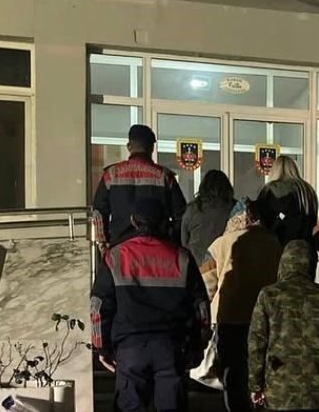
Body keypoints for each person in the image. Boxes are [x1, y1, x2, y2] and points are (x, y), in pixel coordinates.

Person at [90, 197, 211, 412]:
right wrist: (198, 345)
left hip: (130, 349)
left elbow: (98, 307)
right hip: (171, 348)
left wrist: (102, 347)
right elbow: (201, 307)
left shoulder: (115, 257)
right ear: (165, 220)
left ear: (133, 221)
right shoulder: (182, 258)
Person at [201, 200, 283, 412]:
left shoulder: (220, 244)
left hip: (229, 316)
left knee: (232, 371)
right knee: (262, 367)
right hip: (264, 316)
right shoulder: (273, 243)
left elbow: (207, 285)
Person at [248, 240, 319, 412]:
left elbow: (256, 344)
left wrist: (255, 385)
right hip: (318, 390)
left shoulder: (269, 295)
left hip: (279, 390)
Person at [92, 124, 187, 248]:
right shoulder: (164, 176)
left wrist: (103, 243)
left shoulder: (111, 174)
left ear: (129, 147)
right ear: (151, 148)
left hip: (120, 247)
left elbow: (98, 213)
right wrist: (172, 241)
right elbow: (181, 215)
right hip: (157, 248)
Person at [257, 155, 319, 246]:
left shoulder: (268, 190)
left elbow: (262, 220)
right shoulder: (307, 189)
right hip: (304, 246)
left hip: (276, 246)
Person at [182, 170, 236, 264]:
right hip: (225, 264)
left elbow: (184, 240)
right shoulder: (234, 208)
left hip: (197, 265)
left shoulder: (192, 209)